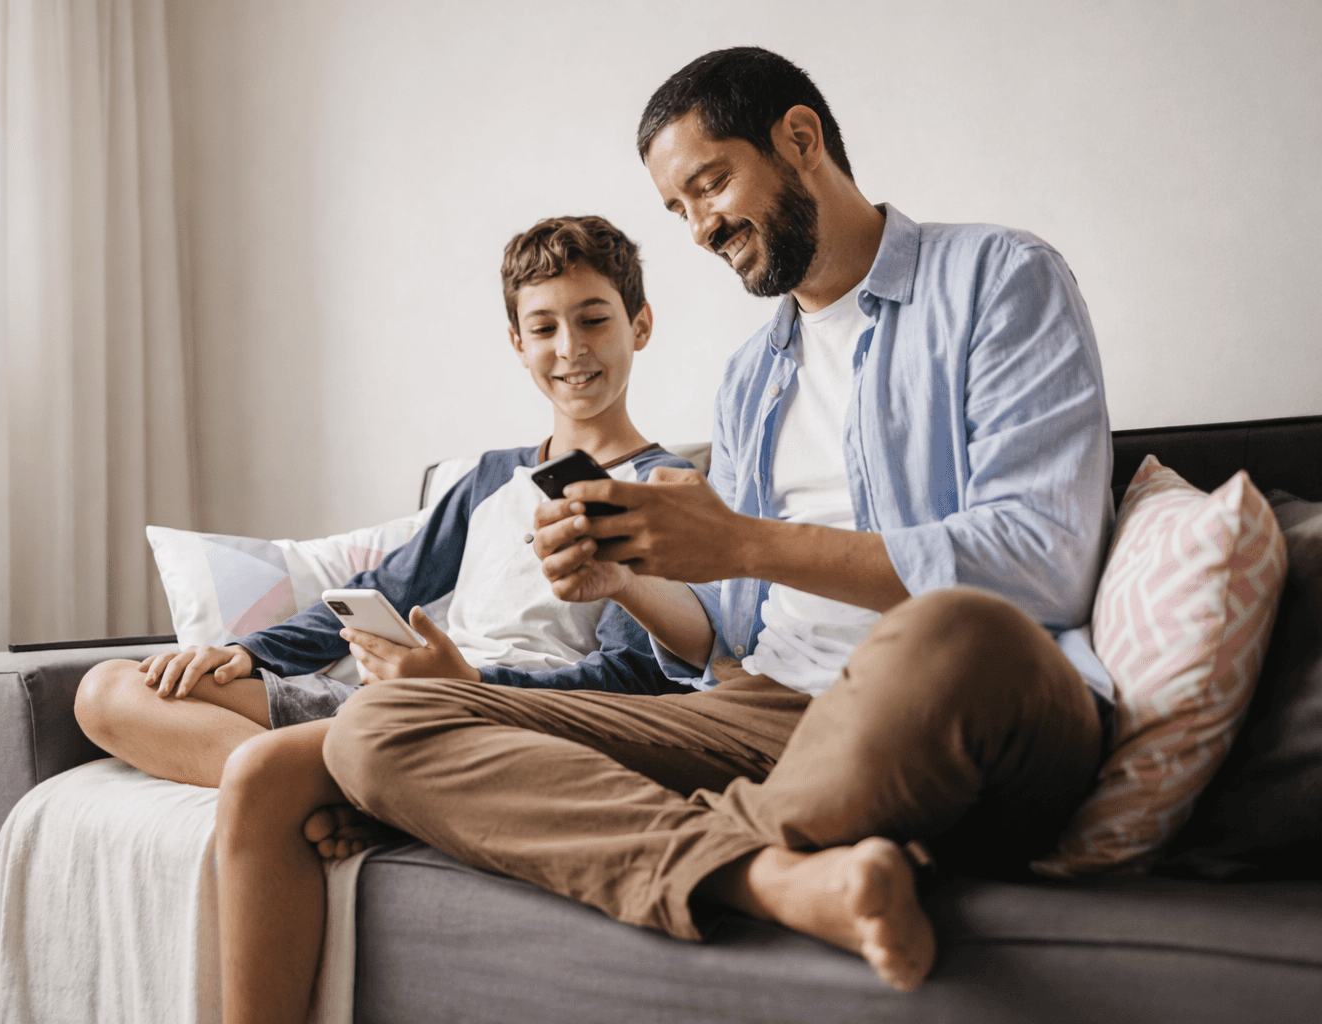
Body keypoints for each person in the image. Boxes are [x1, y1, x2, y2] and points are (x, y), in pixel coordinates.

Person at [316, 46, 1115, 994]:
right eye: (676, 208)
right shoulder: (754, 376)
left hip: (963, 691)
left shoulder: (997, 278)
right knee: (377, 725)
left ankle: (651, 844)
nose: (699, 229)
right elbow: (728, 635)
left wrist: (742, 541)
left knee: (945, 627)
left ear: (800, 139)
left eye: (710, 184)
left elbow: (1044, 563)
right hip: (769, 712)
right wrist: (635, 583)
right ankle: (775, 876)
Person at [73, 214, 693, 1022]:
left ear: (639, 324)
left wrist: (469, 683)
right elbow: (384, 585)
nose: (570, 347)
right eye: (544, 326)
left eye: (594, 318)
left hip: (497, 716)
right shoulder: (489, 479)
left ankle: (345, 780)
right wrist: (249, 656)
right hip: (385, 703)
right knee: (107, 691)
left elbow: (635, 676)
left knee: (267, 773)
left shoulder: (663, 490)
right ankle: (360, 793)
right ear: (517, 342)